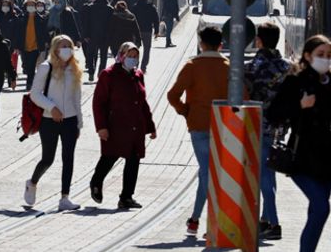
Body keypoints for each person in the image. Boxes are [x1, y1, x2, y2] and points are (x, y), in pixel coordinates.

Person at [267, 35, 331, 251]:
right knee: (322, 207)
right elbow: (274, 112)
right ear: (307, 56)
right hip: (302, 158)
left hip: (327, 159)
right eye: (320, 55)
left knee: (317, 210)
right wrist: (299, 105)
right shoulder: (296, 80)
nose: (325, 59)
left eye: (329, 55)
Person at [167, 27, 229, 235]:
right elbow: (243, 97)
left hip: (199, 125)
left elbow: (172, 95)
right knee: (211, 173)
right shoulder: (229, 67)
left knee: (206, 172)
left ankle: (197, 220)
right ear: (221, 44)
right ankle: (203, 220)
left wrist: (186, 111)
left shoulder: (192, 66)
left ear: (201, 43)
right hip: (224, 127)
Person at [90, 42, 156, 209]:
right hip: (116, 125)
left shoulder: (138, 74)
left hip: (135, 126)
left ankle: (126, 196)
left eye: (135, 57)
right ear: (121, 55)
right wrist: (101, 127)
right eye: (129, 56)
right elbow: (99, 103)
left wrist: (150, 126)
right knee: (110, 156)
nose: (133, 60)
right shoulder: (109, 74)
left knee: (133, 160)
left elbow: (143, 103)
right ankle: (96, 183)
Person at [243, 22, 292, 240]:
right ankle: (264, 219)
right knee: (270, 174)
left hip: (257, 125)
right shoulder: (286, 66)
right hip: (278, 128)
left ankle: (273, 223)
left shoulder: (255, 66)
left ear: (259, 40)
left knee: (263, 174)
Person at [24, 35, 83, 211]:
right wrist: (52, 108)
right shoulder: (46, 68)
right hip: (49, 120)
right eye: (63, 46)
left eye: (69, 46)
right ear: (55, 49)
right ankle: (32, 182)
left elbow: (77, 98)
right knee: (47, 159)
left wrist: (79, 122)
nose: (67, 49)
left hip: (70, 120)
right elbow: (35, 94)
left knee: (68, 158)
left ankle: (65, 197)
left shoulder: (75, 69)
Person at [15, 0, 49, 90]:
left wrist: (46, 42)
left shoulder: (40, 19)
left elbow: (44, 32)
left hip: (35, 46)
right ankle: (31, 80)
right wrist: (17, 46)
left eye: (32, 5)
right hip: (24, 46)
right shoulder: (21, 18)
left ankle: (29, 83)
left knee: (32, 65)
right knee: (26, 65)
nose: (30, 7)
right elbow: (17, 33)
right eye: (29, 5)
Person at [83, 0, 114, 82]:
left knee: (90, 54)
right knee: (103, 56)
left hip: (92, 35)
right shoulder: (110, 9)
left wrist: (86, 34)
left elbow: (86, 22)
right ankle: (100, 74)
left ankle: (91, 71)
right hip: (105, 36)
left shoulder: (90, 7)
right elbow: (111, 24)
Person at [132, 0, 159, 73]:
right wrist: (157, 31)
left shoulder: (135, 7)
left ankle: (135, 65)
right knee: (147, 49)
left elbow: (131, 19)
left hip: (136, 31)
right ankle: (143, 67)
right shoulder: (152, 7)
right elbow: (156, 20)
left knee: (135, 48)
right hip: (147, 30)